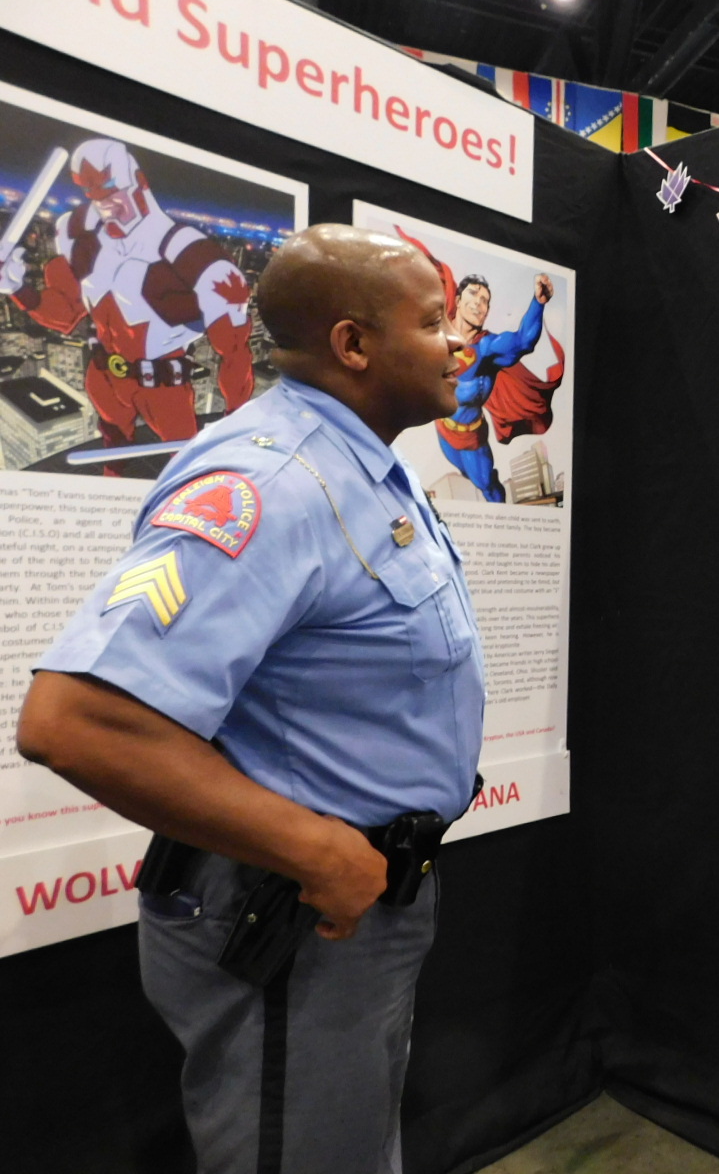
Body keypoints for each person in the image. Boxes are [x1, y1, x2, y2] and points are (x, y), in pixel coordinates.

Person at [16, 224, 485, 1174]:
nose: (458, 342)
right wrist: (316, 851)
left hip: (362, 907)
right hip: (296, 915)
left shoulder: (362, 465)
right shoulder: (272, 480)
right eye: (435, 322)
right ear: (354, 344)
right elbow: (75, 723)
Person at [0, 139, 256, 472]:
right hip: (104, 376)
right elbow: (65, 313)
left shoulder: (191, 254)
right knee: (114, 455)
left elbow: (234, 349)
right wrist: (19, 288)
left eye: (111, 189)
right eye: (91, 192)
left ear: (138, 182)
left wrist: (234, 419)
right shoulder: (79, 234)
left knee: (189, 469)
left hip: (163, 388)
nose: (104, 203)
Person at [434, 268, 555, 502]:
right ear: (457, 300)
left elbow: (523, 341)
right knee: (463, 476)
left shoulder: (487, 347)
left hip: (471, 439)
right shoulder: (438, 335)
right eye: (474, 294)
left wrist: (538, 303)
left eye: (485, 301)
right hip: (443, 430)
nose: (479, 304)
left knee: (487, 486)